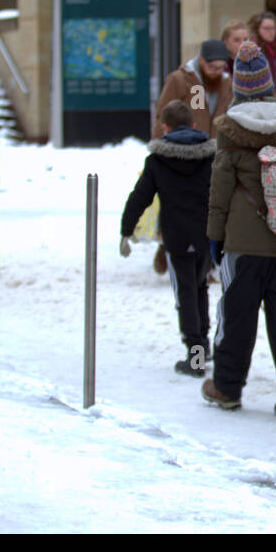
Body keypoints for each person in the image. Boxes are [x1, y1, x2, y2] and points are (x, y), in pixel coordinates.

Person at [202, 41, 276, 416]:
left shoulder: (230, 129)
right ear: (267, 82)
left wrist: (215, 237)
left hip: (245, 242)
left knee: (236, 316)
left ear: (239, 86)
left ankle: (227, 388)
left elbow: (220, 190)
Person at [120, 99, 217, 377]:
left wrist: (126, 230)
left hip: (176, 237)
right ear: (194, 126)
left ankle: (195, 355)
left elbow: (139, 198)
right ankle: (204, 345)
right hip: (205, 234)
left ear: (165, 127)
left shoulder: (157, 161)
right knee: (200, 287)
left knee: (185, 292)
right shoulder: (210, 157)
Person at [150, 39, 233, 275]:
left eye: (220, 68)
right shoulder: (180, 80)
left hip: (211, 152)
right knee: (177, 203)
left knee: (206, 205)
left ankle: (204, 263)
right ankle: (166, 244)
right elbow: (163, 113)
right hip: (181, 149)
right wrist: (161, 147)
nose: (217, 72)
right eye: (212, 67)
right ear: (201, 61)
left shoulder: (226, 83)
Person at [247, 11, 276, 106]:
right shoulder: (254, 51)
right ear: (257, 29)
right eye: (266, 28)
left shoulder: (275, 49)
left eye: (273, 28)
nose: (271, 32)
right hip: (261, 103)